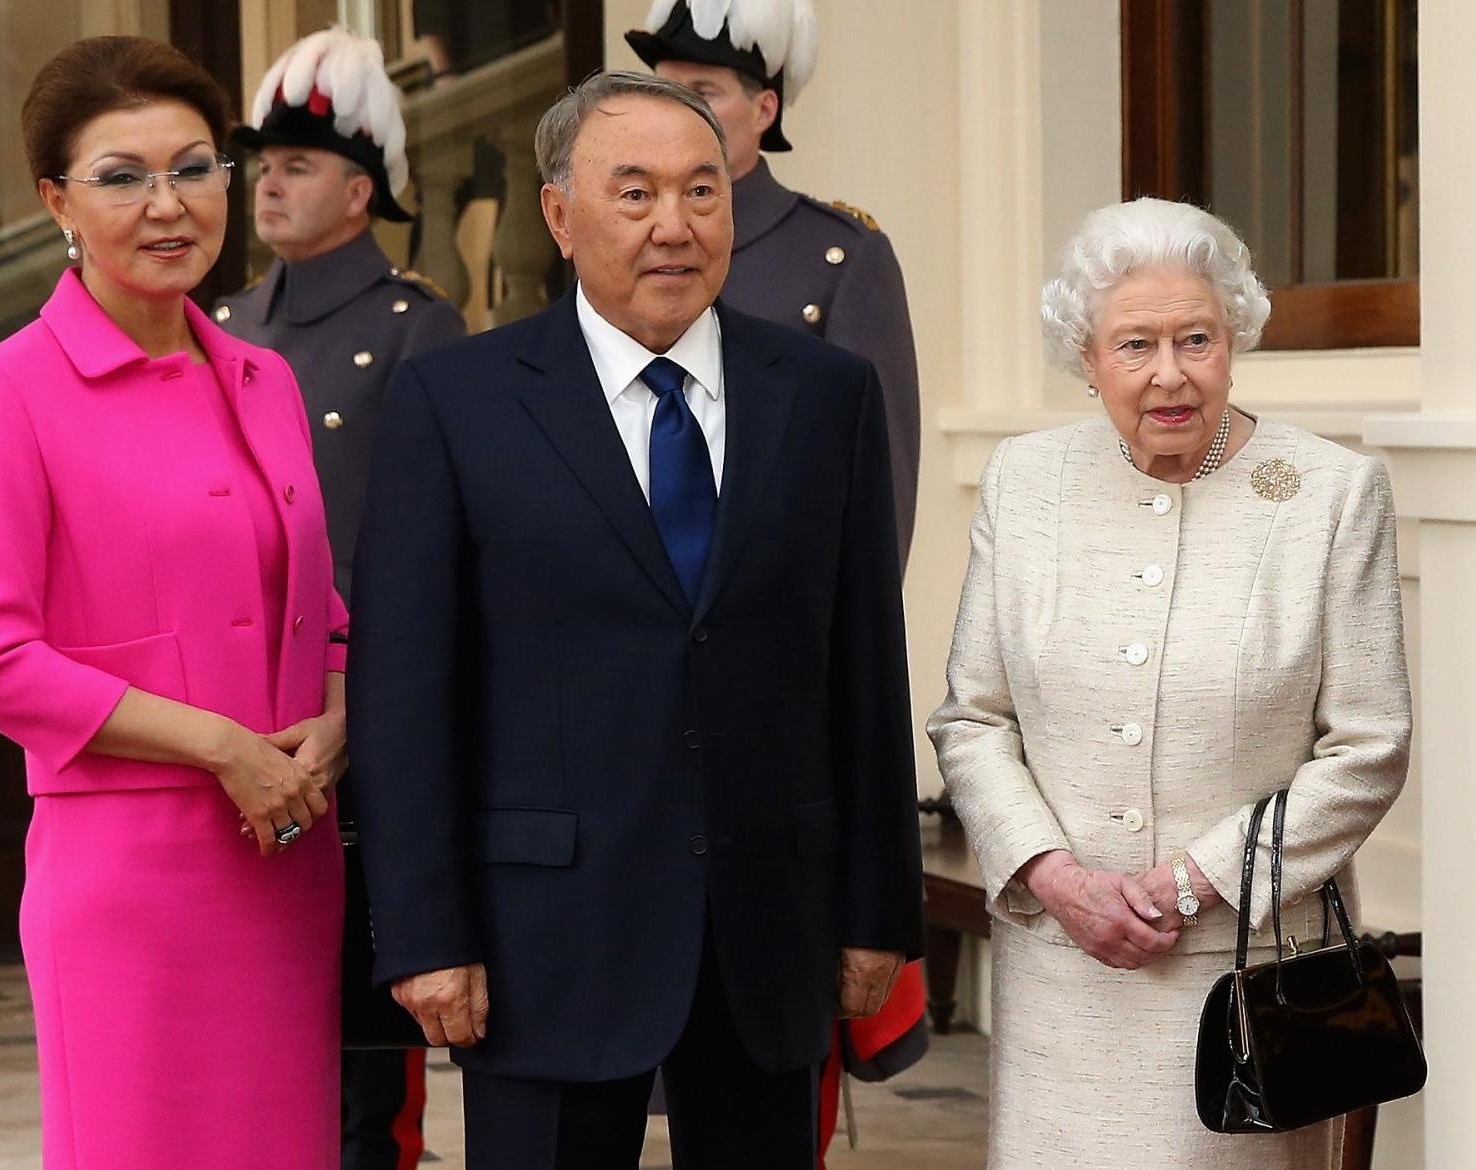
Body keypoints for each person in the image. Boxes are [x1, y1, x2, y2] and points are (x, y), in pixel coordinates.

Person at [348, 70, 924, 1170]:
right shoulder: (457, 404)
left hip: (767, 929)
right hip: (543, 937)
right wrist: (425, 934)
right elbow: (407, 696)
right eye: (637, 193)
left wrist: (875, 906)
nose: (676, 226)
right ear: (561, 216)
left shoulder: (824, 396)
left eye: (703, 193)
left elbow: (862, 670)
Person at [926, 197, 1412, 1169]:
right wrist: (1053, 877)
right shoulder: (1027, 483)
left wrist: (1196, 884)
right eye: (1135, 344)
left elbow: (1368, 747)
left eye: (1196, 338)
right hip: (1064, 967)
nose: (1170, 374)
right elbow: (972, 718)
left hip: (1244, 981)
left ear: (1234, 335)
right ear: (1088, 357)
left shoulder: (1328, 493)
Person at [0, 37, 347, 1170]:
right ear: (56, 199)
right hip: (130, 887)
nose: (168, 206)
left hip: (288, 865)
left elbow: (319, 598)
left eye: (195, 168)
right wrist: (222, 745)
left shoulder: (267, 379)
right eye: (123, 176)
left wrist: (341, 712)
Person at [212, 27, 466, 1170]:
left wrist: (362, 707)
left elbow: (433, 552)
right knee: (256, 1028)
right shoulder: (218, 331)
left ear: (362, 190)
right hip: (237, 713)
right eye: (263, 162)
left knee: (368, 1052)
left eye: (299, 164)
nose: (268, 180)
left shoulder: (420, 329)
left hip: (364, 724)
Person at [626, 0, 920, 571]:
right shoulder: (623, 243)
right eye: (664, 93)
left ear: (764, 108)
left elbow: (881, 481)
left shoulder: (842, 256)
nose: (679, 115)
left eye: (704, 93)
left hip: (779, 597)